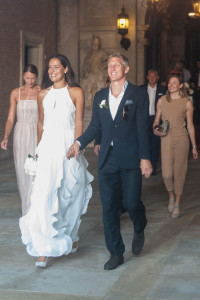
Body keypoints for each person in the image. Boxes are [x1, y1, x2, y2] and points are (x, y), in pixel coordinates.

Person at [67, 52, 152, 270]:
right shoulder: (100, 96)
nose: (112, 68)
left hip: (131, 157)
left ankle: (140, 225)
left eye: (117, 65)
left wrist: (145, 158)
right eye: (109, 65)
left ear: (126, 69)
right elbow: (96, 125)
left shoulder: (138, 94)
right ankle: (116, 252)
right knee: (109, 208)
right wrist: (79, 142)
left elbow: (143, 128)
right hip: (108, 159)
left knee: (132, 203)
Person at [19, 54, 93, 268]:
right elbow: (41, 123)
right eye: (49, 67)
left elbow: (78, 121)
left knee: (70, 193)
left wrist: (77, 145)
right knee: (44, 194)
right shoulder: (42, 94)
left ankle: (70, 234)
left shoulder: (76, 92)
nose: (52, 71)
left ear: (66, 69)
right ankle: (43, 249)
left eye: (56, 66)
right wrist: (38, 148)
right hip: (48, 146)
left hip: (69, 145)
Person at [153, 75, 198, 219]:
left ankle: (177, 202)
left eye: (175, 82)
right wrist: (156, 129)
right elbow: (156, 121)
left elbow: (190, 126)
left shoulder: (187, 103)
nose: (171, 84)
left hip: (181, 140)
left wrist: (194, 146)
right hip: (165, 140)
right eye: (170, 82)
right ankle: (171, 195)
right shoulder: (161, 101)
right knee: (166, 174)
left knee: (179, 171)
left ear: (180, 86)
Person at [1, 65, 40, 215]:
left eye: (32, 78)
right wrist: (5, 136)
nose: (29, 81)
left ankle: (36, 209)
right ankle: (26, 209)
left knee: (36, 169)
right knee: (23, 170)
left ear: (36, 77)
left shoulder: (41, 92)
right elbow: (11, 118)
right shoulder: (15, 93)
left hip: (36, 132)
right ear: (23, 76)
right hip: (20, 134)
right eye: (27, 78)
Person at [141, 69, 167, 175]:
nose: (152, 78)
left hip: (157, 119)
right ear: (147, 77)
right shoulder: (141, 89)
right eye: (150, 76)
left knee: (155, 143)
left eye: (154, 76)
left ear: (157, 78)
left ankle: (154, 167)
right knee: (144, 142)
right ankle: (144, 165)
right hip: (144, 119)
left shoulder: (163, 89)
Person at [81, 35, 109, 110]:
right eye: (94, 44)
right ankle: (90, 107)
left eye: (96, 44)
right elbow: (85, 66)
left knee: (101, 91)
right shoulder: (89, 55)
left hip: (99, 75)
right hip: (91, 75)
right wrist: (84, 74)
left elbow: (109, 60)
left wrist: (103, 67)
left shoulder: (102, 53)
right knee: (88, 90)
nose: (95, 45)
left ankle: (102, 108)